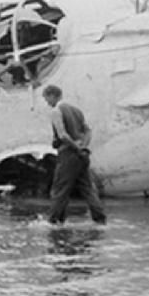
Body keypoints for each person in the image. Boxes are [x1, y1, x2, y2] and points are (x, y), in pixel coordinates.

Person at [42, 85, 107, 224]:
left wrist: (76, 147)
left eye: (46, 98)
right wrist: (83, 146)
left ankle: (55, 222)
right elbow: (88, 131)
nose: (47, 102)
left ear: (52, 95)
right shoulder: (77, 111)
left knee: (60, 190)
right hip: (82, 156)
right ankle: (100, 220)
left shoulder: (56, 111)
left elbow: (63, 135)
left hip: (68, 155)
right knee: (88, 188)